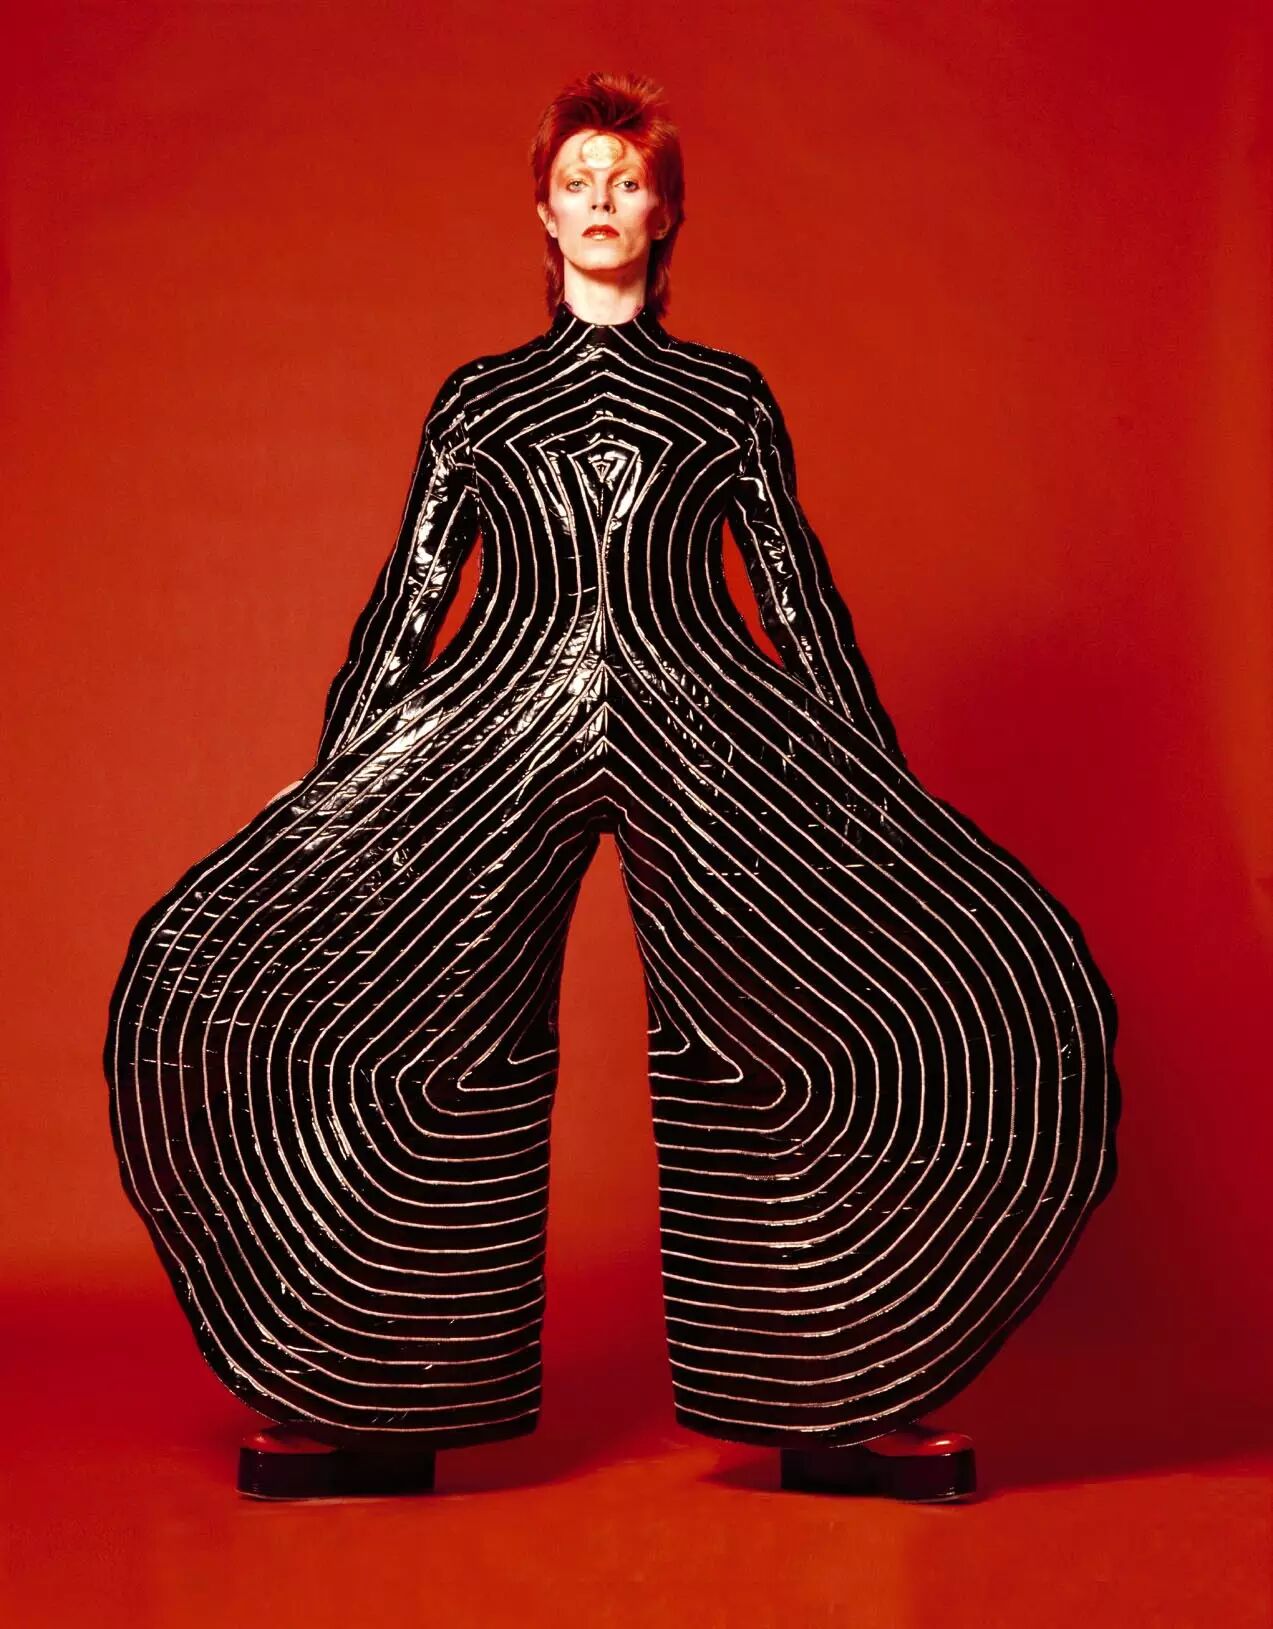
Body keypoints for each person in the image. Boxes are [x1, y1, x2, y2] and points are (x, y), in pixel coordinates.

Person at [104, 70, 1121, 1505]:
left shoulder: (726, 398)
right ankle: (377, 1401)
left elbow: (795, 597)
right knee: (419, 1026)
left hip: (704, 722)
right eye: (575, 179)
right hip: (495, 718)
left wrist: (876, 775)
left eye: (625, 180)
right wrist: (338, 773)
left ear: (665, 212)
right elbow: (412, 598)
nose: (599, 200)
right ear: (539, 210)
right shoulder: (478, 401)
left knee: (788, 1023)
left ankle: (837, 1399)